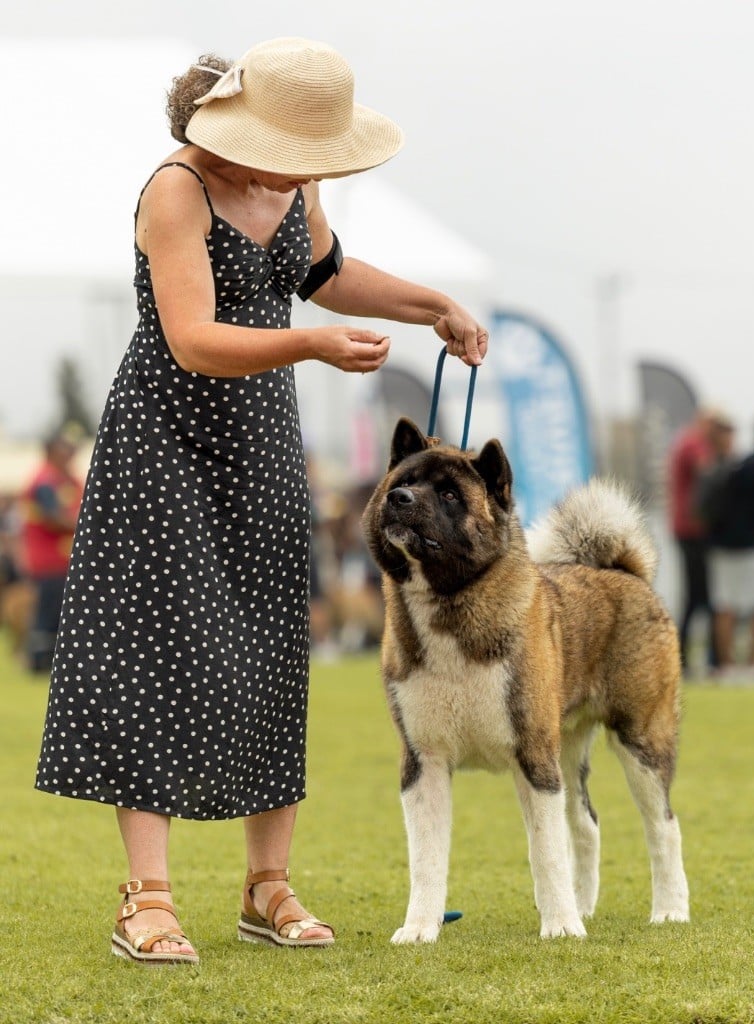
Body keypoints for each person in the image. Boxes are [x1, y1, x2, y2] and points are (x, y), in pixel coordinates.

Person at [35, 37, 488, 966]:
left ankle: (266, 886)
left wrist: (433, 304)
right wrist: (312, 345)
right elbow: (193, 338)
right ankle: (147, 899)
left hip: (262, 445)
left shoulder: (294, 182)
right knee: (157, 656)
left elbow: (324, 276)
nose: (302, 168)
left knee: (274, 651)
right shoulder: (176, 191)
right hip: (166, 444)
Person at [667, 405, 734, 674]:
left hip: (688, 530)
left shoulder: (687, 442)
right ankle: (701, 658)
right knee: (700, 597)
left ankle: (693, 657)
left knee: (698, 596)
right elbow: (709, 472)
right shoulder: (695, 445)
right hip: (692, 531)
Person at [18, 425, 84, 672]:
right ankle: (40, 663)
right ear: (51, 451)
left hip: (66, 561)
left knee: (63, 615)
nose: (70, 453)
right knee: (49, 615)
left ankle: (60, 664)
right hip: (49, 561)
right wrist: (87, 526)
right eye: (65, 449)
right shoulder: (44, 481)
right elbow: (52, 519)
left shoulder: (67, 479)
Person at [708, 416, 754, 678]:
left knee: (725, 605)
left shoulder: (743, 463)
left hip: (722, 543)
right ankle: (752, 664)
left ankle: (728, 665)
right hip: (752, 545)